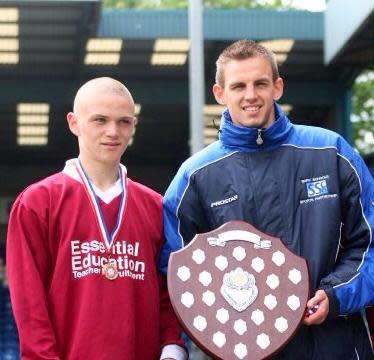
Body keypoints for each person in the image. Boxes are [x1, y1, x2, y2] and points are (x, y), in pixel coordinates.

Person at [159, 40, 374, 359]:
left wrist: (337, 295)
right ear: (220, 94)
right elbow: (175, 272)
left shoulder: (332, 153)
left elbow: (368, 245)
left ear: (277, 86)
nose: (250, 95)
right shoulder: (195, 177)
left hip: (335, 345)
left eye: (260, 83)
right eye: (238, 86)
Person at [6, 77, 186, 360]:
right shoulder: (37, 203)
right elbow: (30, 305)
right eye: (99, 120)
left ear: (134, 125)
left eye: (123, 121)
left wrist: (172, 348)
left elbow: (169, 292)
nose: (112, 132)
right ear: (73, 122)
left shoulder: (154, 206)